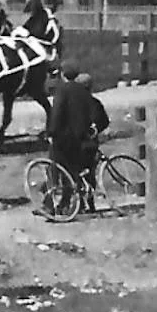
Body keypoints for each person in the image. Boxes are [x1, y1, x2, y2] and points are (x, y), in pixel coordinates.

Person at [43, 61, 110, 212]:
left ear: (62, 74)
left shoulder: (62, 91)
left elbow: (57, 114)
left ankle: (50, 203)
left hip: (68, 141)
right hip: (85, 142)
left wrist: (51, 133)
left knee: (55, 167)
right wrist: (94, 130)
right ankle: (80, 203)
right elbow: (101, 120)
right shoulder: (87, 96)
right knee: (81, 172)